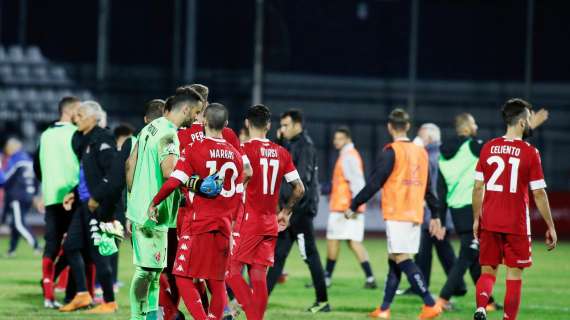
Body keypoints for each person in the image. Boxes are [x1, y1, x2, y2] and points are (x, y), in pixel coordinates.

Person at [435, 108, 548, 311]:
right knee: (467, 256)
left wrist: (441, 218)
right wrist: (530, 126)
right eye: (474, 123)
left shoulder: (443, 154)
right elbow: (505, 150)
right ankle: (440, 302)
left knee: (479, 258)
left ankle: (488, 302)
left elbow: (440, 188)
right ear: (468, 127)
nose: (476, 127)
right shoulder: (474, 146)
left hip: (455, 209)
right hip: (474, 207)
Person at [347, 108, 443, 320]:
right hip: (415, 214)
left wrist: (354, 204)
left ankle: (429, 303)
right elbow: (429, 188)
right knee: (395, 259)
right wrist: (435, 214)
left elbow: (374, 182)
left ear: (390, 127)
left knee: (402, 259)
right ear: (408, 126)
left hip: (398, 212)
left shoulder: (391, 151)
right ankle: (384, 308)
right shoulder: (421, 152)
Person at [151, 103, 243, 320]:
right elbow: (240, 196)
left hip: (198, 223)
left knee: (182, 276)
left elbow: (174, 180)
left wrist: (155, 201)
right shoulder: (236, 155)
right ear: (226, 125)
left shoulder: (195, 148)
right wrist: (235, 228)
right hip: (224, 225)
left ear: (203, 122)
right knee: (217, 280)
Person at [472, 98, 557, 320]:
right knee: (514, 276)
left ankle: (481, 307)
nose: (530, 123)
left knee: (488, 271)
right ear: (521, 122)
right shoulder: (530, 152)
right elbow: (538, 193)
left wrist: (475, 219)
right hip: (516, 224)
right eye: (529, 119)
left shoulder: (488, 147)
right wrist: (550, 225)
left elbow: (478, 187)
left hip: (489, 220)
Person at [126, 89, 203, 320]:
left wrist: (133, 204)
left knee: (153, 272)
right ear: (186, 109)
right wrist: (198, 185)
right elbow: (170, 172)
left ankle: (150, 317)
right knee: (146, 272)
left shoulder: (150, 127)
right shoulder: (169, 135)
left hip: (141, 209)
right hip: (155, 213)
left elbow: (130, 164)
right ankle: (137, 317)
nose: (197, 118)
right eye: (197, 112)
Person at [226, 104, 305, 320]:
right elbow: (299, 188)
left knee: (231, 272)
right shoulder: (282, 152)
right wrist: (286, 212)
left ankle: (252, 314)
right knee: (259, 276)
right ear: (269, 125)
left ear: (246, 123)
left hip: (248, 221)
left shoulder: (241, 151)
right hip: (270, 221)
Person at [59, 101, 124, 314]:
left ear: (92, 118)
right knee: (70, 246)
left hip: (100, 207)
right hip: (84, 204)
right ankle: (82, 294)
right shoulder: (86, 142)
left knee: (100, 254)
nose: (75, 118)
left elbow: (114, 175)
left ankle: (109, 301)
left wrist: (97, 198)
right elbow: (89, 176)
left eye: (79, 114)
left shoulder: (103, 140)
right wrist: (74, 192)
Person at [266, 109, 330, 313]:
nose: (282, 129)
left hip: (299, 212)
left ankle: (323, 302)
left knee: (309, 254)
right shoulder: (289, 144)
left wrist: (289, 209)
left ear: (297, 125)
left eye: (285, 125)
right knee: (277, 257)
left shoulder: (306, 146)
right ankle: (260, 299)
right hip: (288, 212)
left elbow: (302, 181)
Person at [398, 123, 463, 296]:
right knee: (434, 250)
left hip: (434, 214)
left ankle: (452, 285)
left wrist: (436, 215)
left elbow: (435, 188)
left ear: (430, 137)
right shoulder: (440, 155)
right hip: (437, 213)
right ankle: (450, 285)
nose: (417, 138)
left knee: (433, 250)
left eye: (420, 135)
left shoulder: (431, 157)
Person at [33, 96, 81, 309]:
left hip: (52, 197)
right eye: (79, 112)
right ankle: (73, 294)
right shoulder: (77, 134)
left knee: (51, 246)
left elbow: (37, 166)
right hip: (74, 196)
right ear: (70, 112)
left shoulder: (45, 135)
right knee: (75, 246)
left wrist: (47, 186)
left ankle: (48, 295)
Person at [324, 126, 376, 289]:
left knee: (333, 240)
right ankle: (370, 278)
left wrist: (354, 206)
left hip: (344, 208)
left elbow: (358, 182)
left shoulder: (348, 157)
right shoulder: (349, 155)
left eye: (339, 138)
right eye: (335, 138)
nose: (336, 141)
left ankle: (326, 278)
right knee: (354, 242)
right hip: (349, 207)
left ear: (347, 139)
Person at [0, 137, 41, 256]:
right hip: (28, 195)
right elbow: (37, 178)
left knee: (19, 223)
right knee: (15, 223)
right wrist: (34, 195)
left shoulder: (15, 160)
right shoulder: (28, 159)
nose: (6, 149)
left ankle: (36, 245)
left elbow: (5, 180)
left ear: (12, 147)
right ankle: (11, 250)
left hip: (17, 196)